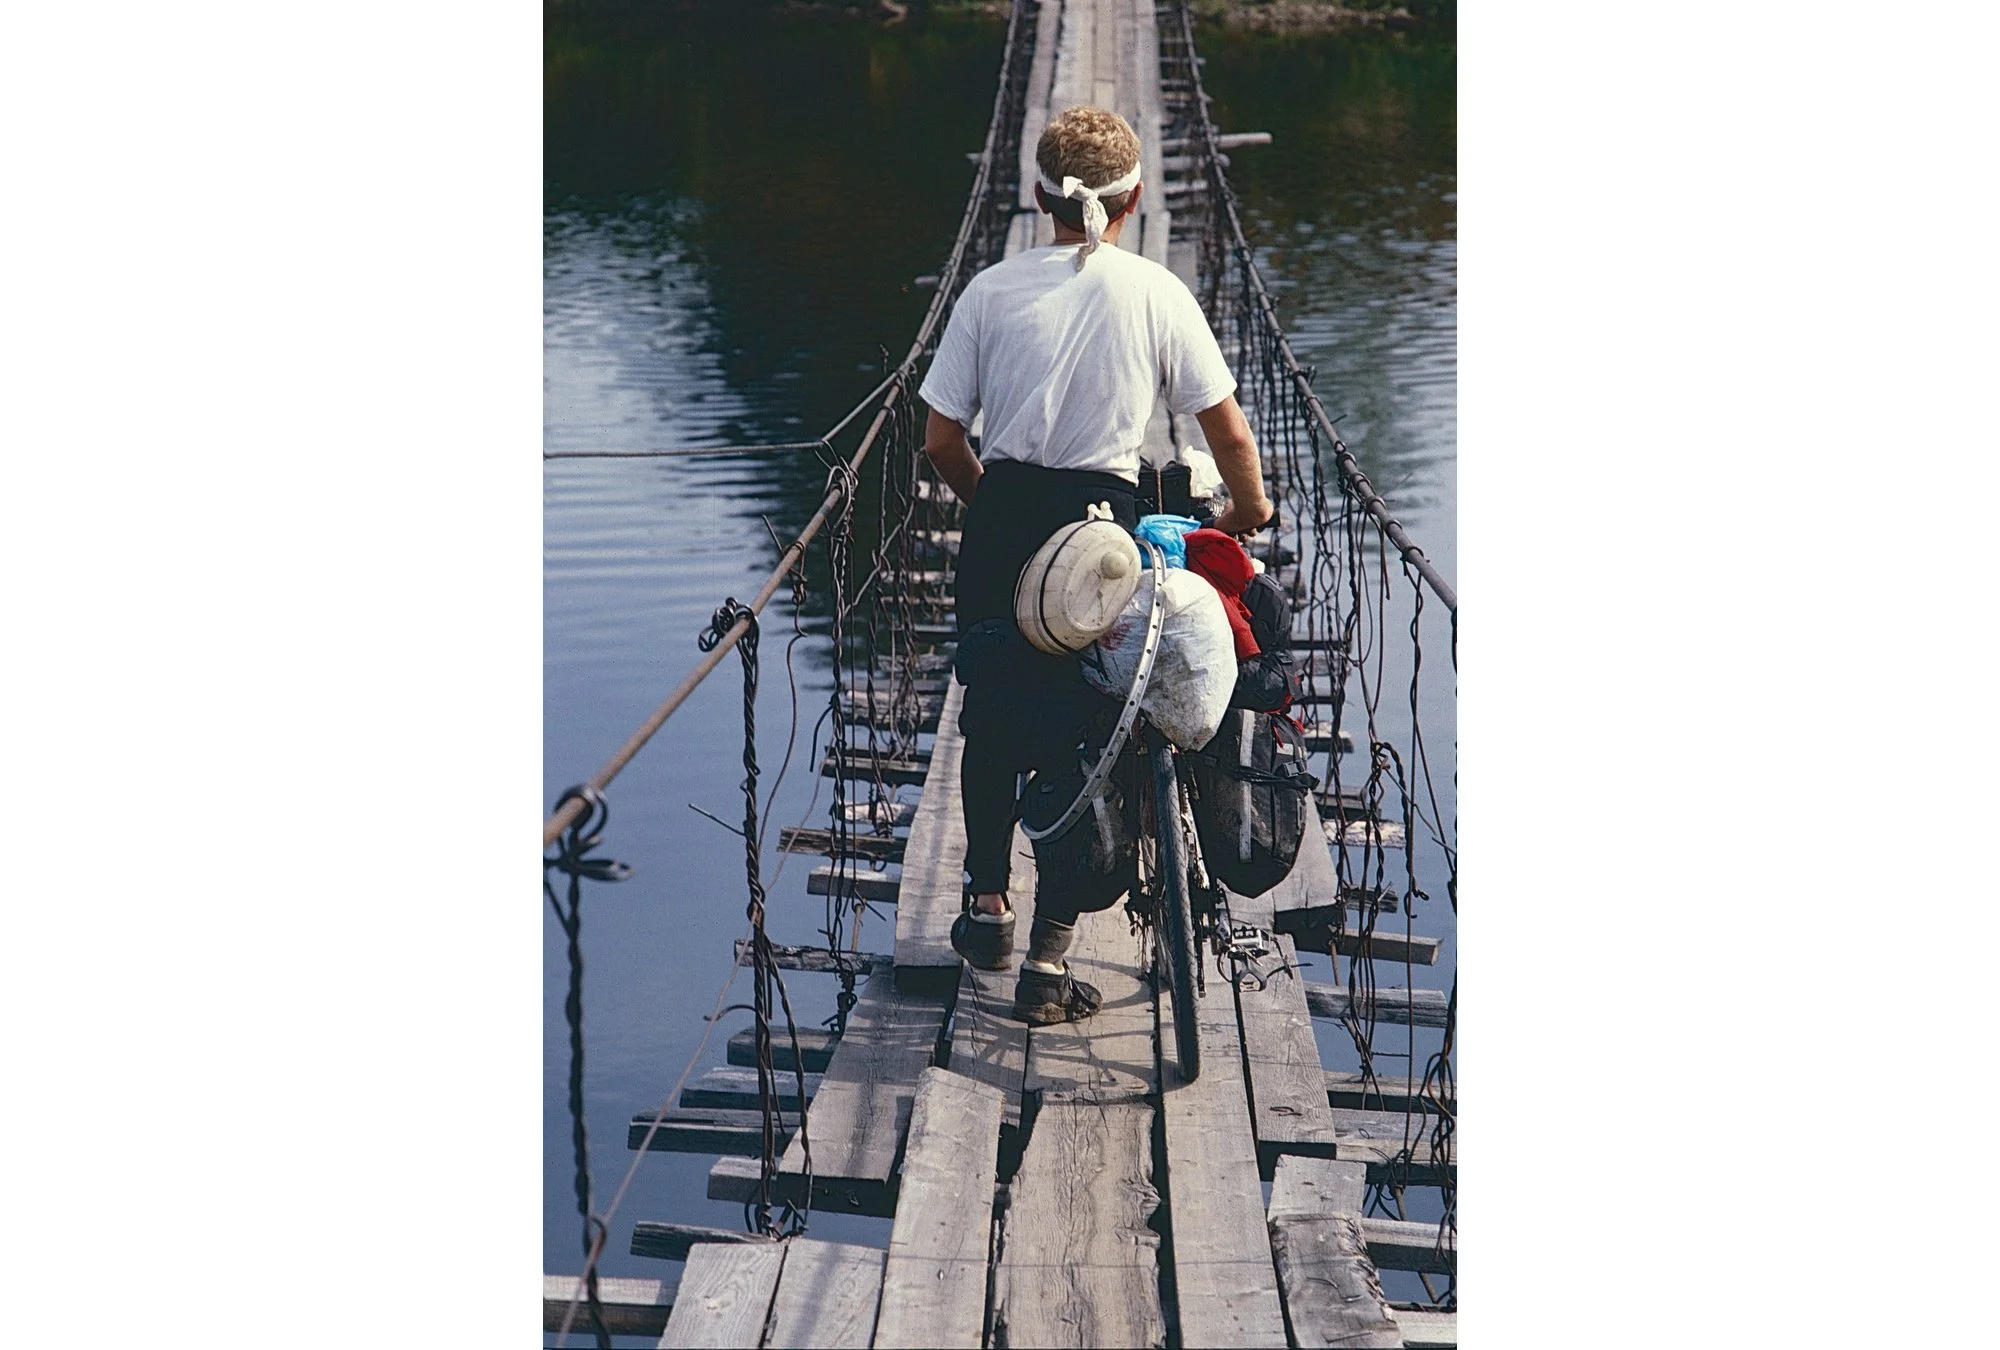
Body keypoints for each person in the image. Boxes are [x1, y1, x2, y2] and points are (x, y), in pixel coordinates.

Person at [917, 105, 1272, 1024]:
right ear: (1135, 199)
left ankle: (987, 905)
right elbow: (1226, 431)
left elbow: (941, 437)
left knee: (992, 707)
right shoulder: (1156, 292)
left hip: (1005, 522)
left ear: (1038, 197)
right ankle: (1049, 956)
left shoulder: (989, 293)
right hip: (1103, 528)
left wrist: (989, 504)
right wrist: (1248, 514)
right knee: (1099, 719)